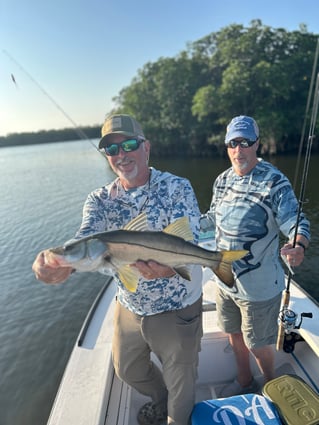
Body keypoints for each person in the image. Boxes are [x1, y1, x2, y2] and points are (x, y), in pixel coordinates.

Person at [32, 114, 203, 425]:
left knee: (183, 382)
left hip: (177, 305)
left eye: (128, 145)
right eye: (112, 150)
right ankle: (160, 396)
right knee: (127, 369)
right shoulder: (98, 200)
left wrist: (169, 268)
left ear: (146, 147)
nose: (121, 155)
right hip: (131, 305)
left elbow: (188, 241)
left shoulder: (177, 187)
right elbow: (85, 239)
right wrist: (60, 266)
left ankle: (177, 417)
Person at [201, 115, 310, 397]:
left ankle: (270, 384)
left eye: (245, 143)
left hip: (259, 289)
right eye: (233, 143)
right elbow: (213, 217)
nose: (239, 150)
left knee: (258, 344)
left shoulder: (274, 181)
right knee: (233, 334)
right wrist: (184, 226)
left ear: (257, 144)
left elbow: (296, 222)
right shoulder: (222, 180)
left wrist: (298, 244)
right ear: (227, 147)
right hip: (224, 280)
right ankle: (245, 378)